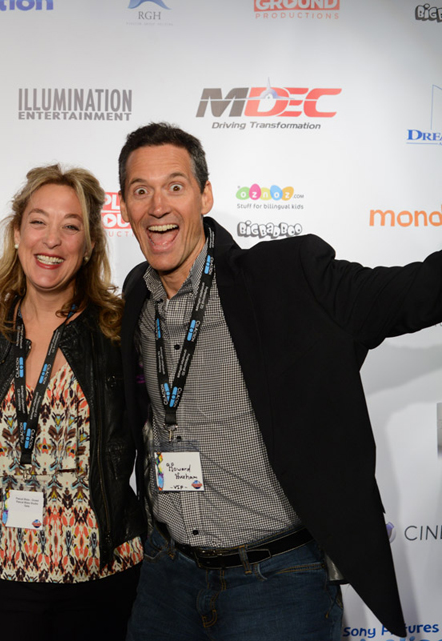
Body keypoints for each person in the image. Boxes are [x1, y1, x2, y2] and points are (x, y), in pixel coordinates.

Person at [116, 122, 442, 640]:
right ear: (124, 207)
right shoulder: (136, 294)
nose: (158, 206)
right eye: (141, 191)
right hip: (166, 578)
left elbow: (411, 293)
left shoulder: (284, 276)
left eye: (175, 186)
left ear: (205, 196)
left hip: (276, 584)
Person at [0, 165, 144, 639]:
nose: (52, 240)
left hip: (98, 574)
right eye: (39, 222)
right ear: (17, 232)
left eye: (70, 227)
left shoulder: (118, 330)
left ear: (89, 246)